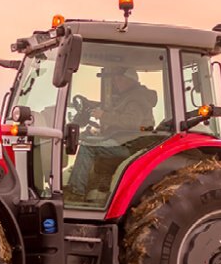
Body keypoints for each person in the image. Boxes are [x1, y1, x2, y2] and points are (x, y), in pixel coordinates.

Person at [66, 67, 158, 201]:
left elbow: (132, 122)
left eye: (120, 79)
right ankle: (91, 188)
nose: (116, 82)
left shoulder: (136, 99)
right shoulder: (127, 96)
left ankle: (76, 191)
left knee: (87, 147)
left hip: (129, 145)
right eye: (115, 79)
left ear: (130, 81)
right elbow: (117, 112)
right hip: (123, 140)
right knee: (90, 139)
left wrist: (104, 116)